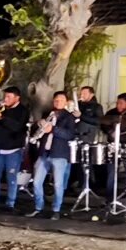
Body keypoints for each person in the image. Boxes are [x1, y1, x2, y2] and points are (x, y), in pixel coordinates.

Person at [28, 91, 77, 220]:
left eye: (61, 100)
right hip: (44, 152)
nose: (58, 102)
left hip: (59, 154)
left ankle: (56, 210)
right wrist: (39, 126)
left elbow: (70, 135)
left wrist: (53, 129)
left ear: (66, 102)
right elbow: (39, 131)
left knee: (58, 184)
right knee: (37, 182)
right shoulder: (48, 114)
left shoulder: (69, 117)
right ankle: (38, 207)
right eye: (56, 100)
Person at [73, 85, 103, 191]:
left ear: (91, 94)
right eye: (81, 93)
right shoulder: (79, 105)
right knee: (76, 159)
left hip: (87, 136)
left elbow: (98, 121)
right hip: (76, 134)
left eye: (84, 93)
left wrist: (81, 115)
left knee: (85, 160)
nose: (82, 95)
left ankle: (89, 183)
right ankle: (78, 182)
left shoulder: (96, 107)